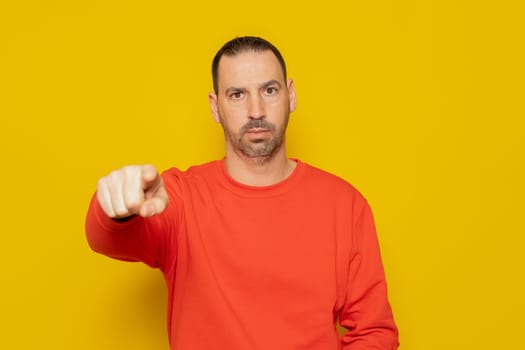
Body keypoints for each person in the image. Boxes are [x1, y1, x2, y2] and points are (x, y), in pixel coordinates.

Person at [85, 36, 399, 349]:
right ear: (215, 107)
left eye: (269, 90)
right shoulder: (178, 198)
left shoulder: (344, 204)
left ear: (290, 96)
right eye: (237, 95)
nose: (256, 110)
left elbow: (374, 332)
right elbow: (106, 238)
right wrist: (116, 208)